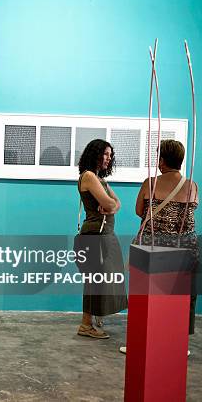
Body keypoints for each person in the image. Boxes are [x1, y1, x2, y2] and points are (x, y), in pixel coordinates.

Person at [133, 139, 199, 334]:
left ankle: (145, 339)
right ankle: (178, 343)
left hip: (153, 247)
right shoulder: (192, 186)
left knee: (149, 296)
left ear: (161, 160)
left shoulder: (150, 183)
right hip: (185, 248)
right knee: (182, 297)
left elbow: (139, 211)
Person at [76, 139, 128, 339]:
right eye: (105, 154)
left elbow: (117, 204)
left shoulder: (100, 179)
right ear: (95, 154)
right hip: (95, 235)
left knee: (100, 280)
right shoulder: (88, 176)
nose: (109, 158)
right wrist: (110, 204)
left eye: (110, 155)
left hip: (103, 234)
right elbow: (109, 202)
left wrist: (111, 205)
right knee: (93, 281)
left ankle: (90, 321)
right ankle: (85, 325)